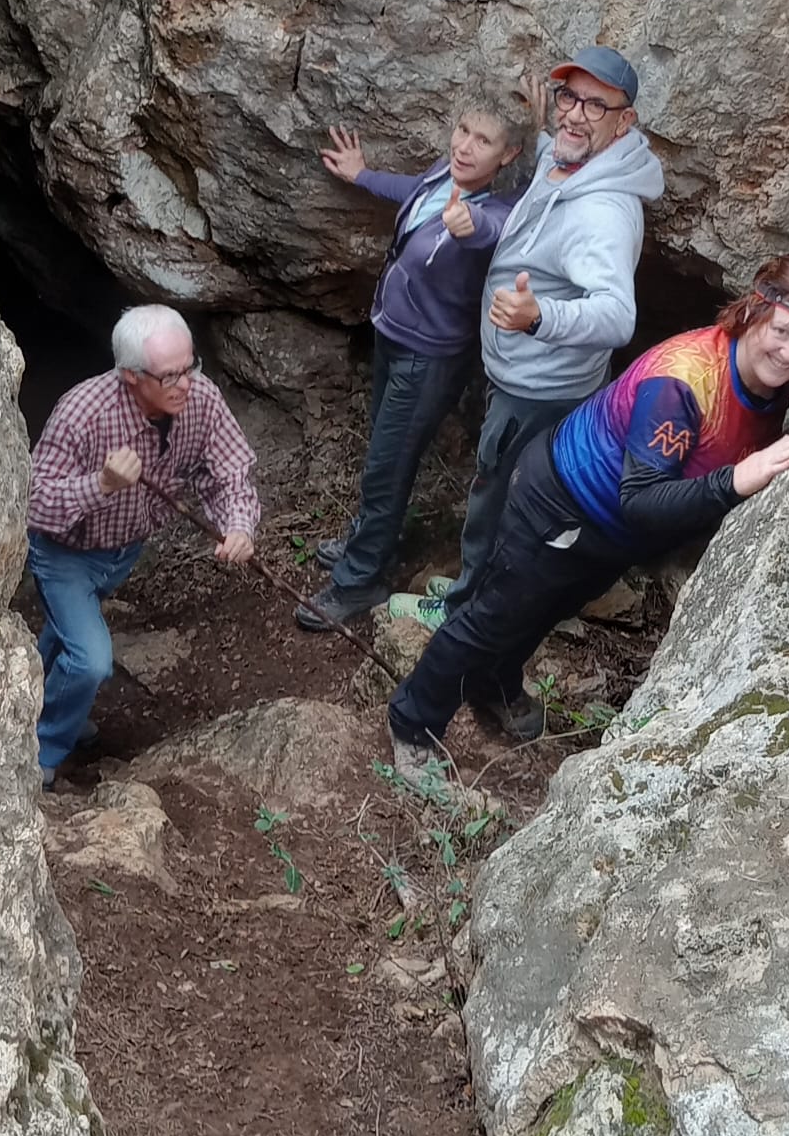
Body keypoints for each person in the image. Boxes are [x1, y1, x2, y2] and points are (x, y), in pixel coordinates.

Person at [384, 255, 789, 777]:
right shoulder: (682, 383)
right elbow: (642, 500)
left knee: (546, 609)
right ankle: (412, 722)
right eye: (781, 331)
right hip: (561, 503)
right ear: (752, 312)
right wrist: (737, 479)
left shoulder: (777, 385)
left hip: (610, 534)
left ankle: (494, 683)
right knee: (493, 615)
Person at [387, 44, 664, 633]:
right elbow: (552, 164)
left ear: (625, 121)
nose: (575, 114)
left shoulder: (604, 213)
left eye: (596, 105)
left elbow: (618, 316)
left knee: (496, 496)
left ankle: (462, 610)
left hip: (537, 390)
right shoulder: (569, 160)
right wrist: (542, 128)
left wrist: (540, 317)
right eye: (569, 97)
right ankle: (478, 588)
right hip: (532, 376)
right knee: (511, 490)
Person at [297, 84, 530, 631]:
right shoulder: (444, 173)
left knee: (388, 466)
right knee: (385, 453)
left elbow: (489, 231)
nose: (465, 146)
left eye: (483, 140)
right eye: (463, 130)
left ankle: (359, 580)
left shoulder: (500, 211)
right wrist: (363, 175)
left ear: (509, 155)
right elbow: (415, 193)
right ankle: (367, 540)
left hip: (428, 359)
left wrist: (469, 228)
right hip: (395, 337)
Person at [26, 304, 258, 789]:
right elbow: (35, 504)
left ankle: (51, 703)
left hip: (123, 550)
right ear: (131, 376)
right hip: (66, 552)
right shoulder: (82, 413)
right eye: (170, 375)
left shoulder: (201, 399)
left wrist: (238, 526)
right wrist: (101, 484)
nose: (185, 384)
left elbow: (230, 470)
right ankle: (42, 753)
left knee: (66, 634)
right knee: (91, 659)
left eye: (190, 366)